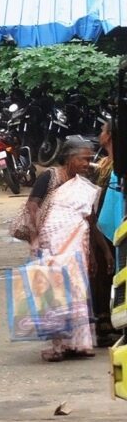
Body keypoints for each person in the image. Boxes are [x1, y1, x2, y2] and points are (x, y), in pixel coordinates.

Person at [23, 135, 97, 361]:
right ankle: (58, 346)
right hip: (52, 242)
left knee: (76, 290)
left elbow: (89, 218)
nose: (87, 164)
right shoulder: (50, 176)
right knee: (54, 292)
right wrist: (35, 239)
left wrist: (94, 251)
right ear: (69, 158)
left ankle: (79, 343)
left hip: (77, 242)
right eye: (83, 159)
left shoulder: (84, 186)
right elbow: (32, 206)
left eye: (89, 160)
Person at [93, 121, 119, 346]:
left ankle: (107, 324)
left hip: (107, 229)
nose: (100, 134)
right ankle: (104, 324)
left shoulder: (113, 167)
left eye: (103, 131)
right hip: (103, 228)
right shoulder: (106, 164)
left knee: (105, 274)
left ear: (109, 137)